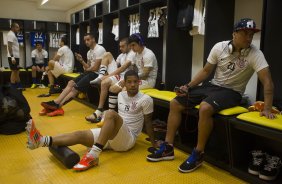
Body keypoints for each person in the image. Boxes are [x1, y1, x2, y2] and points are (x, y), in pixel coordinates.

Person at [147, 18, 275, 173]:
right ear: (234, 34)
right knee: (175, 103)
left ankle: (198, 153)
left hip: (232, 92)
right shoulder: (219, 47)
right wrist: (188, 86)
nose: (249, 38)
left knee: (205, 108)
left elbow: (267, 81)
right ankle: (168, 147)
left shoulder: (255, 54)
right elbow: (206, 71)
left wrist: (267, 108)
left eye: (251, 35)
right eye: (245, 34)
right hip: (212, 86)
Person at [26, 70, 156, 171]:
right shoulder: (121, 94)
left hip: (128, 139)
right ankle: (40, 141)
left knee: (110, 113)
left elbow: (148, 123)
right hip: (113, 135)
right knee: (79, 134)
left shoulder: (145, 99)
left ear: (139, 82)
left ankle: (93, 155)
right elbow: (113, 102)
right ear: (125, 83)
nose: (132, 85)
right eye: (129, 82)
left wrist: (154, 144)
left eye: (135, 82)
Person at [86, 33, 158, 123]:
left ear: (140, 43)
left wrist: (126, 80)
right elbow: (128, 68)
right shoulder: (136, 54)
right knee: (110, 87)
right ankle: (107, 114)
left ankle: (123, 119)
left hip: (147, 81)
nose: (132, 48)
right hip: (136, 79)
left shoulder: (148, 54)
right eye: (131, 45)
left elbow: (145, 74)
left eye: (133, 45)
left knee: (124, 89)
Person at [40, 33, 104, 116]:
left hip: (98, 75)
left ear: (93, 39)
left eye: (88, 40)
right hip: (90, 73)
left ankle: (58, 106)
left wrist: (87, 69)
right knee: (70, 83)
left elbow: (95, 68)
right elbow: (88, 66)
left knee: (75, 89)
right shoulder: (89, 52)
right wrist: (81, 61)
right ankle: (55, 102)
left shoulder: (100, 49)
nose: (86, 42)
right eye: (85, 40)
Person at [85, 37, 135, 123]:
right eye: (120, 46)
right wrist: (105, 75)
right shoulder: (121, 55)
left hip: (127, 78)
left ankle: (109, 117)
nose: (120, 48)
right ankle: (99, 111)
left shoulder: (132, 53)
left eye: (123, 46)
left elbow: (123, 68)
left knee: (108, 83)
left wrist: (108, 76)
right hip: (120, 76)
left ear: (129, 46)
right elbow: (115, 65)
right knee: (107, 55)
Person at [7, 22, 23, 90]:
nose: (18, 29)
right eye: (17, 27)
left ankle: (19, 86)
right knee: (14, 71)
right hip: (13, 57)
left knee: (17, 71)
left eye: (18, 27)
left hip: (16, 57)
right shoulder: (10, 34)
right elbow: (9, 46)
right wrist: (12, 57)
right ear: (13, 27)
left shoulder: (13, 34)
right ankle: (13, 88)